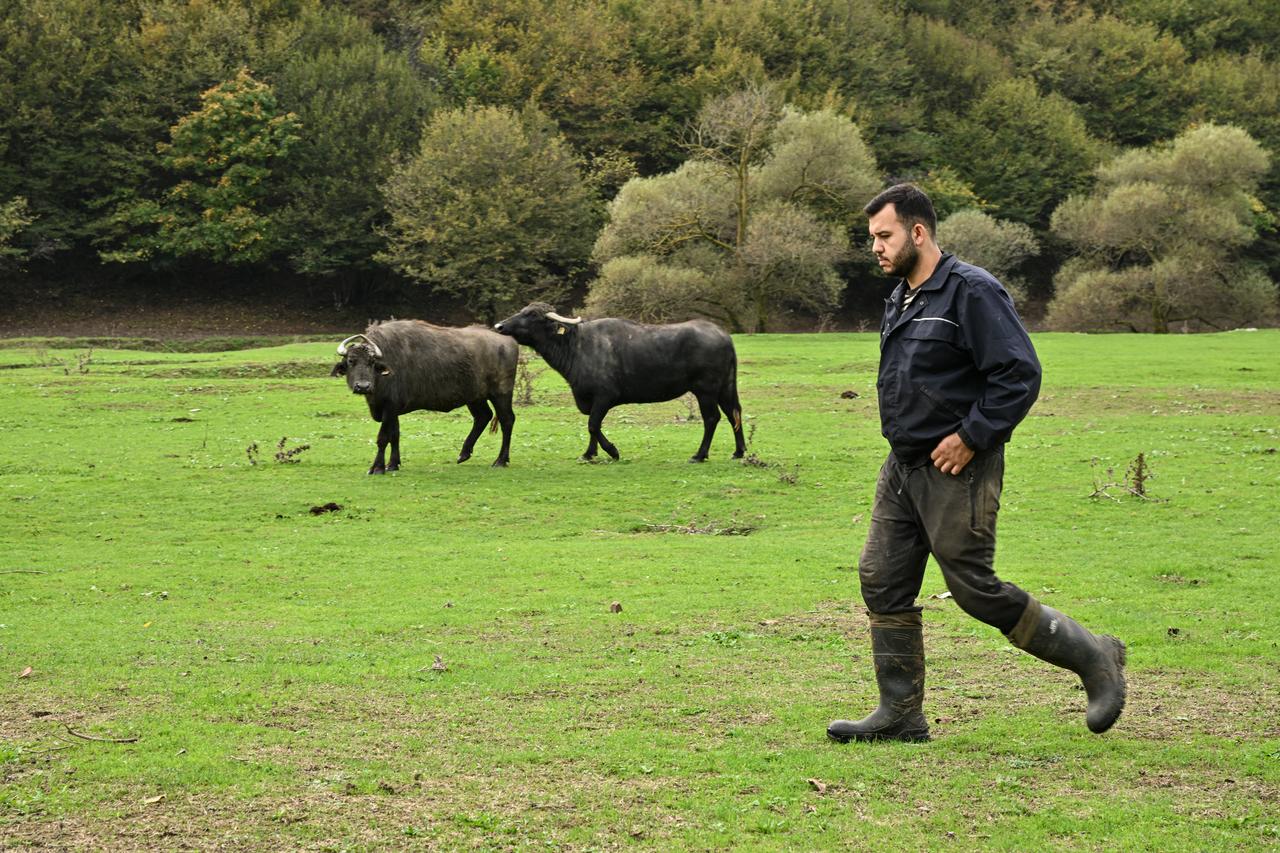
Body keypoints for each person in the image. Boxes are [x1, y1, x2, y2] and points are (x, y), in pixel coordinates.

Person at [828, 184, 1126, 743]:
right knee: (882, 578)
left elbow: (1019, 375)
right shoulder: (903, 296)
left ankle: (1096, 658)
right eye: (872, 238)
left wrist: (970, 436)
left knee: (973, 588)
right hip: (904, 464)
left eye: (884, 236)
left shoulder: (972, 292)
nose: (876, 248)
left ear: (918, 232)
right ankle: (901, 714)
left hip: (956, 466)